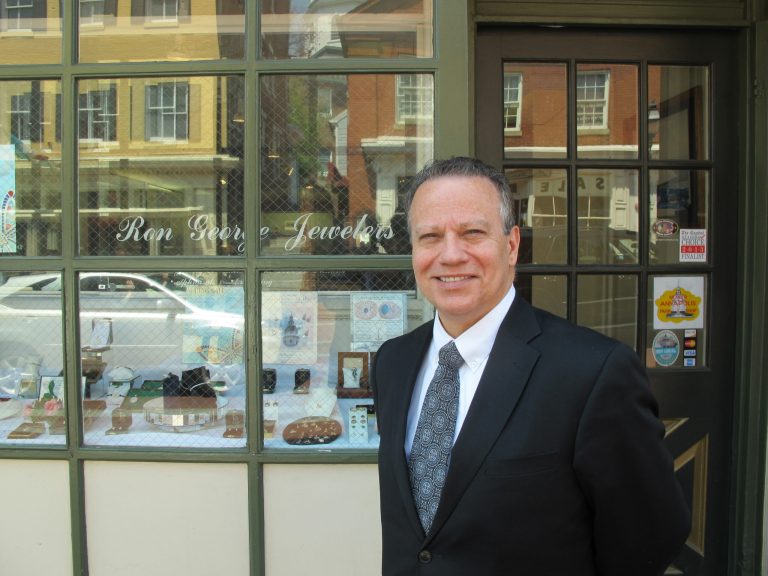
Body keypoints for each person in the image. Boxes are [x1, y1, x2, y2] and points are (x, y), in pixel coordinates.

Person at [371, 157, 690, 576]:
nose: (450, 255)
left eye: (472, 233)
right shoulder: (393, 362)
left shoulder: (592, 372)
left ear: (511, 244)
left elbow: (651, 533)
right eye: (430, 236)